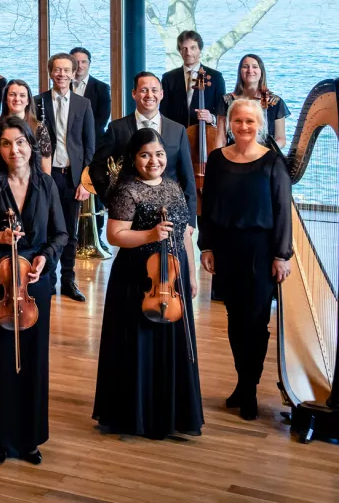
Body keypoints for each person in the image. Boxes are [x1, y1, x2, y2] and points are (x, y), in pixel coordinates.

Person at [0, 115, 66, 466]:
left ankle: (28, 438)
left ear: (30, 144)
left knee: (32, 362)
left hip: (34, 284)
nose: (14, 150)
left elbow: (60, 234)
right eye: (6, 144)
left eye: (20, 142)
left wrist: (44, 259)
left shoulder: (46, 183)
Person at [92, 128, 204, 439]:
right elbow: (115, 235)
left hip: (173, 274)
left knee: (172, 345)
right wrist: (150, 235)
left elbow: (183, 235)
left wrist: (191, 275)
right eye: (145, 155)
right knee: (137, 345)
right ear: (134, 158)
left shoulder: (173, 186)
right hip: (137, 279)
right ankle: (136, 416)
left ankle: (169, 414)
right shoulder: (127, 190)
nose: (153, 160)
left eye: (158, 154)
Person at [198, 97, 293, 421]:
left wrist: (283, 255)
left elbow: (283, 213)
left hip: (262, 251)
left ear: (260, 125)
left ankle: (250, 387)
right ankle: (242, 381)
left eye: (250, 121)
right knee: (235, 322)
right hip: (226, 249)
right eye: (238, 121)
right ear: (230, 124)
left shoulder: (272, 162)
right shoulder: (217, 159)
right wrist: (206, 247)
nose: (244, 126)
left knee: (256, 323)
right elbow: (207, 208)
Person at [90, 71, 198, 217]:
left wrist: (191, 219)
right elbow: (96, 168)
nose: (149, 95)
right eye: (143, 90)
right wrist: (111, 200)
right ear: (134, 94)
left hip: (170, 210)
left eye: (154, 90)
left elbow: (187, 177)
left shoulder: (177, 130)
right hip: (129, 213)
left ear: (161, 94)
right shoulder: (116, 128)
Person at [38, 52, 96, 302]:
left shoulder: (83, 104)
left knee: (70, 232)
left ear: (74, 73)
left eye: (66, 70)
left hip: (72, 177)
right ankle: (48, 279)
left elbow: (89, 145)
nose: (61, 74)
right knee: (48, 229)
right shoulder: (37, 101)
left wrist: (85, 181)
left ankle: (69, 280)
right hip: (48, 177)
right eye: (57, 70)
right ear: (51, 73)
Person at [160, 29, 227, 130]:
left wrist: (211, 118)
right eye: (184, 48)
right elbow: (163, 112)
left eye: (193, 48)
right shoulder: (168, 78)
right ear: (180, 51)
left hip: (205, 135)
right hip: (176, 135)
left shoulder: (216, 77)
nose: (188, 53)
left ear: (200, 50)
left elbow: (222, 113)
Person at [222, 53, 289, 150]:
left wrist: (266, 152)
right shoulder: (227, 101)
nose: (250, 70)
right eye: (245, 67)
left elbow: (281, 139)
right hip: (234, 155)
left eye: (255, 67)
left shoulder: (276, 102)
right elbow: (221, 138)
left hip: (266, 157)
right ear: (240, 71)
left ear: (261, 71)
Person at [0, 80, 51, 173]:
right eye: (12, 94)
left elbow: (46, 168)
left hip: (31, 183)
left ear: (28, 101)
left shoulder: (39, 128)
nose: (17, 99)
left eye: (22, 95)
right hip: (0, 182)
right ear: (6, 99)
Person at [69, 47, 111, 137]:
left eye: (83, 62)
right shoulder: (63, 86)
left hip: (93, 140)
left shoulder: (102, 88)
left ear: (89, 64)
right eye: (76, 62)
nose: (80, 66)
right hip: (67, 140)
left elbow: (101, 121)